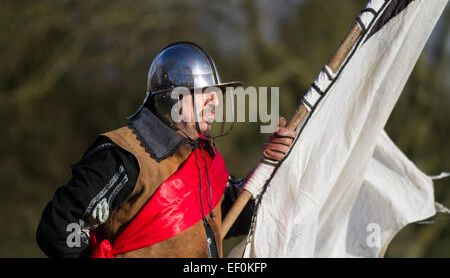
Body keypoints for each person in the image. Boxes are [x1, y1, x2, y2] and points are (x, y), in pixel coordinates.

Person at [36, 41, 296, 258]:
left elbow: (235, 214)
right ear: (174, 98)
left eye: (215, 91)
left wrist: (272, 165)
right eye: (204, 91)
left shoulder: (204, 158)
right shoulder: (121, 154)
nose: (215, 99)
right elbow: (58, 230)